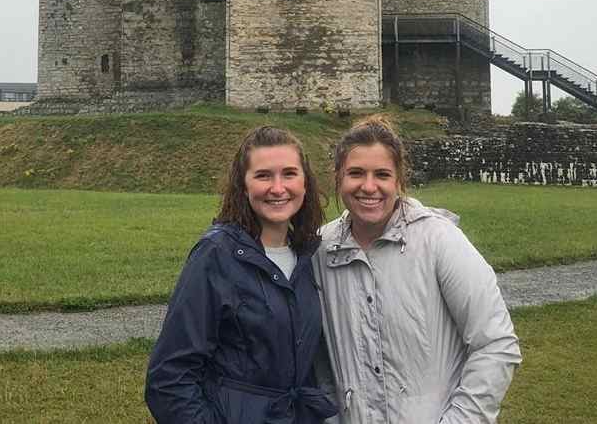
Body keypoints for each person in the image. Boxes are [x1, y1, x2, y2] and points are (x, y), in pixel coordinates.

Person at [313, 116, 521, 424]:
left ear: (398, 180)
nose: (369, 186)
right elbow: (320, 363)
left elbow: (495, 343)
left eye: (382, 174)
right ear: (338, 178)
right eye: (355, 173)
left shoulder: (438, 239)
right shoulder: (320, 250)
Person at [146, 126, 338, 424]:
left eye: (289, 174)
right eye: (263, 176)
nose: (277, 188)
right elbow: (169, 378)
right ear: (244, 185)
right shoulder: (216, 255)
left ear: (305, 183)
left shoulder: (308, 254)